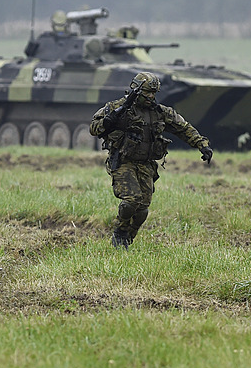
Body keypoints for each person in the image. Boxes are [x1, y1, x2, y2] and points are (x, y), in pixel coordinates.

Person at [89, 72, 213, 250]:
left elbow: (183, 128)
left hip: (146, 164)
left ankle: (127, 241)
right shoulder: (116, 107)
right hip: (124, 161)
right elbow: (94, 128)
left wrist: (202, 145)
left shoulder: (159, 112)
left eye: (154, 93)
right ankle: (120, 232)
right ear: (137, 91)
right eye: (147, 92)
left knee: (142, 210)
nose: (151, 96)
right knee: (131, 200)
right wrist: (109, 121)